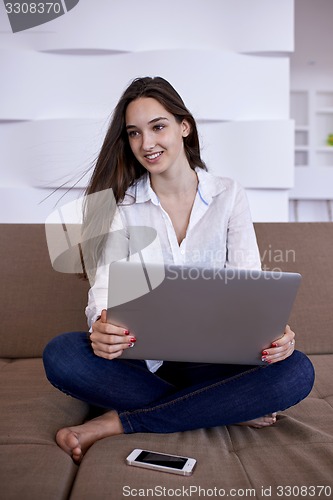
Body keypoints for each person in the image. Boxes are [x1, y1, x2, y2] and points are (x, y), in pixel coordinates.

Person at [43, 76, 315, 464]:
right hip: (142, 363)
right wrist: (101, 328)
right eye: (135, 133)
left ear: (183, 126)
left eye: (158, 127)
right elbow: (102, 295)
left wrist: (276, 337)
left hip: (216, 364)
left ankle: (119, 422)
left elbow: (252, 288)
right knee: (61, 355)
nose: (146, 144)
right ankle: (225, 409)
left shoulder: (228, 195)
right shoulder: (118, 206)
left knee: (298, 370)